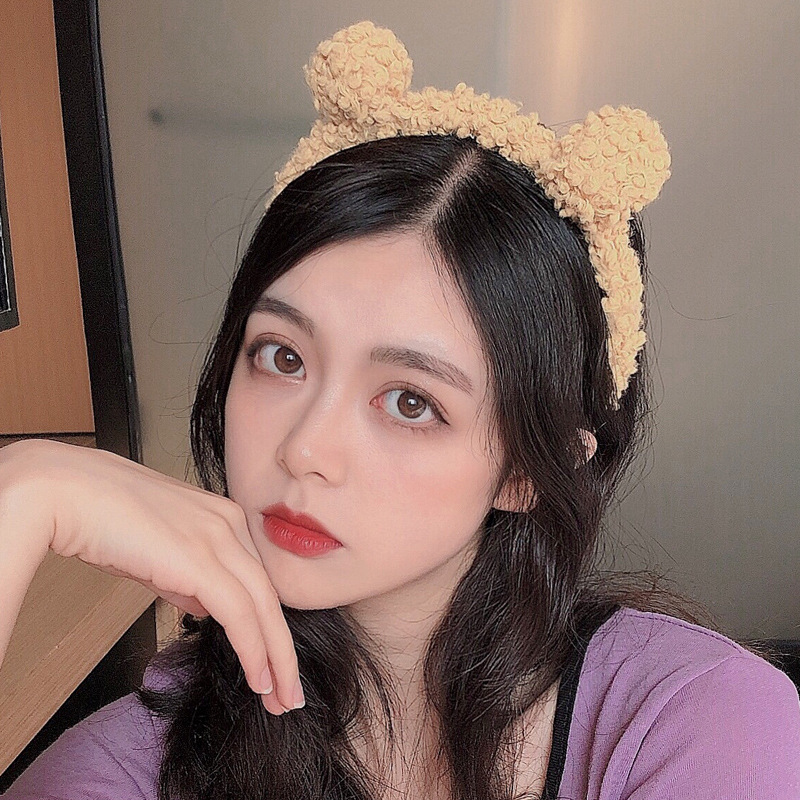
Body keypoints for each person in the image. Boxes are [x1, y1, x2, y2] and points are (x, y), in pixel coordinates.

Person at [1, 21, 799, 800]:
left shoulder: (701, 726)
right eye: (282, 357)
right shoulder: (122, 769)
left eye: (411, 401)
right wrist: (26, 492)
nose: (306, 449)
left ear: (528, 468)